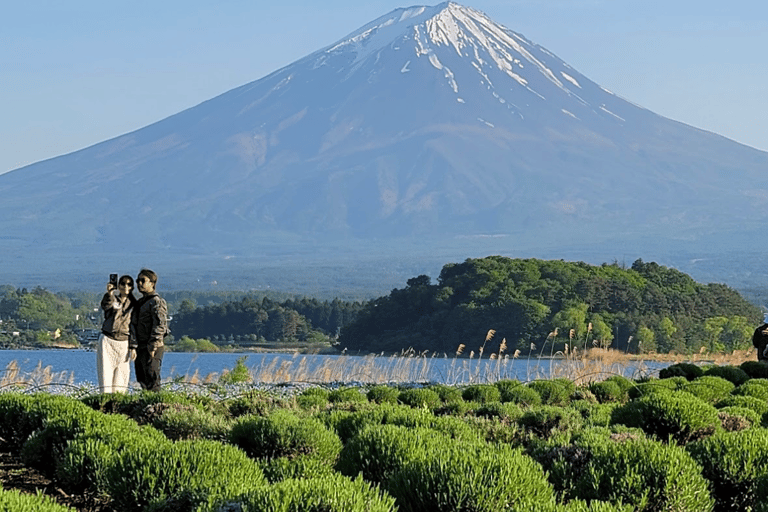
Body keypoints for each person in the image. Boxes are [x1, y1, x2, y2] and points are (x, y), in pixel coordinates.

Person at [130, 268, 168, 391]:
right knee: (141, 378)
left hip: (152, 346)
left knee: (152, 377)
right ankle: (146, 402)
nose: (139, 284)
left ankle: (155, 403)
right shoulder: (140, 302)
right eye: (137, 281)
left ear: (152, 283)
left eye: (143, 280)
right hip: (140, 346)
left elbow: (160, 325)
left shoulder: (157, 302)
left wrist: (153, 344)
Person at [97, 275, 136, 393]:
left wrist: (133, 346)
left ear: (132, 287)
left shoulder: (135, 305)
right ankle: (105, 404)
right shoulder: (113, 300)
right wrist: (109, 294)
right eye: (123, 283)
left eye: (129, 284)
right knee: (105, 376)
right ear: (118, 286)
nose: (126, 286)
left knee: (121, 380)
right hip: (108, 341)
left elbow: (135, 327)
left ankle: (118, 405)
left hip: (124, 342)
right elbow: (105, 306)